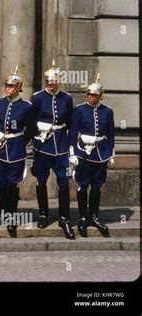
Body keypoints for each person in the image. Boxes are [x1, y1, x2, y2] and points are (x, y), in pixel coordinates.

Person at [29, 60, 75, 239]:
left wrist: (71, 149)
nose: (51, 83)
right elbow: (31, 121)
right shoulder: (37, 97)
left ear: (59, 81)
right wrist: (36, 137)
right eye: (48, 80)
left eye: (54, 80)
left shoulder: (67, 98)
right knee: (41, 180)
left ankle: (64, 218)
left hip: (61, 146)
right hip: (43, 145)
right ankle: (43, 214)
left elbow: (70, 123)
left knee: (64, 181)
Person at [0, 66, 32, 236]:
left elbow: (31, 128)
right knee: (0, 183)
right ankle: (3, 213)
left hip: (15, 149)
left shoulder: (26, 106)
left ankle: (12, 217)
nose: (8, 89)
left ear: (18, 88)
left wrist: (20, 140)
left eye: (11, 86)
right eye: (6, 86)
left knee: (12, 185)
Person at [69, 74, 114, 237]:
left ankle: (94, 217)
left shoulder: (107, 112)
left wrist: (111, 153)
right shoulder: (79, 110)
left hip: (101, 153)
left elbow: (111, 134)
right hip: (84, 154)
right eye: (88, 94)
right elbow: (73, 133)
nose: (90, 97)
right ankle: (82, 217)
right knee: (82, 185)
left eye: (93, 94)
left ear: (100, 95)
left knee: (97, 186)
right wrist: (72, 153)